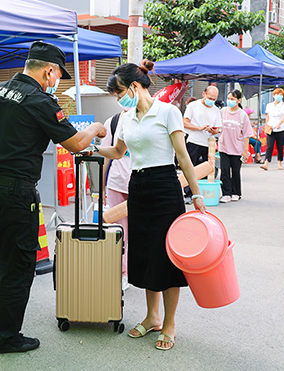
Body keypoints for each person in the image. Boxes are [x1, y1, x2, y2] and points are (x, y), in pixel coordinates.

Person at [0, 41, 106, 354]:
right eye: (57, 75)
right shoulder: (40, 101)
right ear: (49, 71)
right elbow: (73, 143)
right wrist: (96, 127)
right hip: (15, 193)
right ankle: (5, 336)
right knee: (18, 262)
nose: (56, 80)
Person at [97, 60, 206, 351]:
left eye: (118, 92)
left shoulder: (168, 112)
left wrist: (196, 195)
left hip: (165, 185)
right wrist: (90, 145)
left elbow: (183, 157)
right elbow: (119, 152)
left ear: (134, 86)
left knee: (167, 255)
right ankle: (152, 317)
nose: (118, 99)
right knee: (144, 253)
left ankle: (169, 323)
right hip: (139, 185)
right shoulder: (126, 117)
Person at [100, 111, 131, 290]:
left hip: (140, 184)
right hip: (116, 183)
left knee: (139, 231)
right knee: (120, 232)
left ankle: (136, 270)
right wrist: (101, 185)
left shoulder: (149, 118)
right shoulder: (113, 121)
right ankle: (122, 273)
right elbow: (106, 156)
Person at [182, 86, 221, 203]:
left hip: (208, 143)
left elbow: (218, 129)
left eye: (214, 99)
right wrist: (199, 128)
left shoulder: (216, 110)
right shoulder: (193, 106)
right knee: (190, 168)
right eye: (210, 98)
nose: (212, 101)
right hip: (193, 141)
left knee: (207, 169)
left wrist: (214, 131)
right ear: (204, 94)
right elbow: (185, 122)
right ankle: (188, 193)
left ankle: (202, 193)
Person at [218, 89, 254, 203]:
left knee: (235, 171)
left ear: (238, 100)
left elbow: (247, 135)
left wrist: (245, 151)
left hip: (237, 148)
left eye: (232, 99)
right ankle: (226, 193)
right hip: (224, 146)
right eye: (228, 98)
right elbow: (218, 127)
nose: (230, 101)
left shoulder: (243, 114)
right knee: (224, 171)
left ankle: (236, 193)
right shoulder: (223, 111)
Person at [260, 88, 284, 171]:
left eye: (280, 95)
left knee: (280, 146)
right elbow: (268, 117)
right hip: (271, 128)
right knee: (269, 146)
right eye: (277, 94)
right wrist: (266, 126)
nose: (278, 96)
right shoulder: (269, 105)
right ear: (273, 96)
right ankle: (266, 162)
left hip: (281, 129)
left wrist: (279, 124)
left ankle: (280, 162)